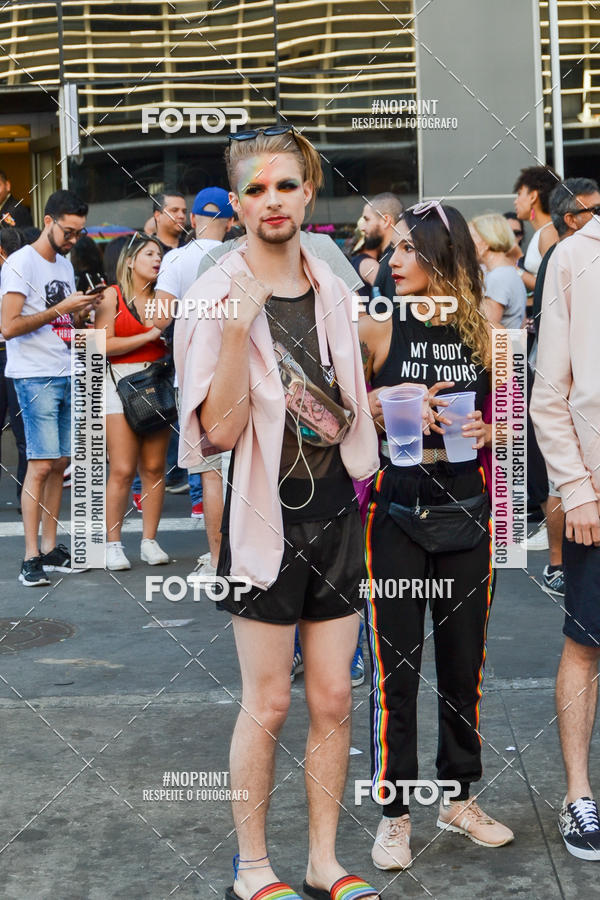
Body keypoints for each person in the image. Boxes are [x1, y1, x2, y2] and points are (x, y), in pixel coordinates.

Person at [175, 125, 380, 900]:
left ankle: (323, 861)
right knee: (267, 700)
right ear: (236, 202)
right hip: (263, 519)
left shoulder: (332, 284)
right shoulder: (209, 292)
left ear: (307, 193)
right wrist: (236, 329)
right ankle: (254, 868)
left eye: (285, 185)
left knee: (333, 696)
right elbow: (219, 432)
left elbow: (345, 403)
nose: (272, 201)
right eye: (255, 189)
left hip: (336, 514)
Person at [359, 200, 514, 871]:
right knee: (395, 671)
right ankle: (395, 814)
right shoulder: (376, 323)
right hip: (392, 509)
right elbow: (314, 401)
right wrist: (369, 402)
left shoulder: (486, 327)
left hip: (467, 507)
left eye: (406, 250)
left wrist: (493, 429)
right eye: (390, 250)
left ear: (441, 257)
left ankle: (456, 798)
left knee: (462, 665)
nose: (392, 262)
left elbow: (514, 414)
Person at [530, 205, 600, 862]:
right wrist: (575, 488)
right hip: (597, 496)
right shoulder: (577, 255)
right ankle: (578, 794)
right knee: (587, 643)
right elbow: (549, 391)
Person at [0, 190, 96, 586]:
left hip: (63, 368)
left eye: (79, 233)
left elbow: (58, 324)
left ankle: (52, 547)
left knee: (58, 463)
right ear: (48, 220)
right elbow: (8, 327)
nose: (74, 240)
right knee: (40, 465)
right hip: (33, 374)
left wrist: (79, 315)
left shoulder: (63, 264)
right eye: (69, 231)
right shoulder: (22, 263)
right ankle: (30, 557)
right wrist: (61, 309)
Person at [155, 186, 234, 569]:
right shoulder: (242, 255)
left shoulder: (175, 259)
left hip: (194, 378)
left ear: (193, 219)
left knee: (212, 475)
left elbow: (160, 317)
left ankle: (220, 559)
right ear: (231, 221)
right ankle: (248, 557)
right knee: (249, 471)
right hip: (240, 375)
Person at [95, 234, 172, 571]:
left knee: (154, 468)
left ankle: (149, 541)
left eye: (160, 254)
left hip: (156, 381)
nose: (157, 259)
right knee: (123, 468)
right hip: (119, 383)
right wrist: (148, 335)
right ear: (129, 261)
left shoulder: (163, 297)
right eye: (149, 254)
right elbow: (102, 345)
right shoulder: (112, 295)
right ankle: (113, 544)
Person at [0, 227, 27, 509]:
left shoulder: (18, 276)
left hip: (15, 352)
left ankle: (26, 496)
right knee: (22, 432)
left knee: (22, 431)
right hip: (16, 352)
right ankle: (25, 496)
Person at [469, 213, 527, 328]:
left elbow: (486, 328)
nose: (467, 243)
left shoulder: (499, 277)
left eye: (471, 237)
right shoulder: (507, 272)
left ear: (485, 242)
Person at [513, 166, 560, 291]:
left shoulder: (550, 232)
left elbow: (553, 285)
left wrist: (514, 268)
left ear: (533, 196)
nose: (515, 201)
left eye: (519, 194)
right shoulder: (545, 231)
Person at [361, 193, 404, 303]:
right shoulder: (389, 258)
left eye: (367, 219)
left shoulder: (394, 261)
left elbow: (399, 315)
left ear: (386, 221)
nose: (362, 227)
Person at [152, 187, 187, 252]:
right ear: (157, 216)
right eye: (174, 210)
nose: (181, 216)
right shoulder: (147, 250)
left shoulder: (191, 249)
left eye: (184, 212)